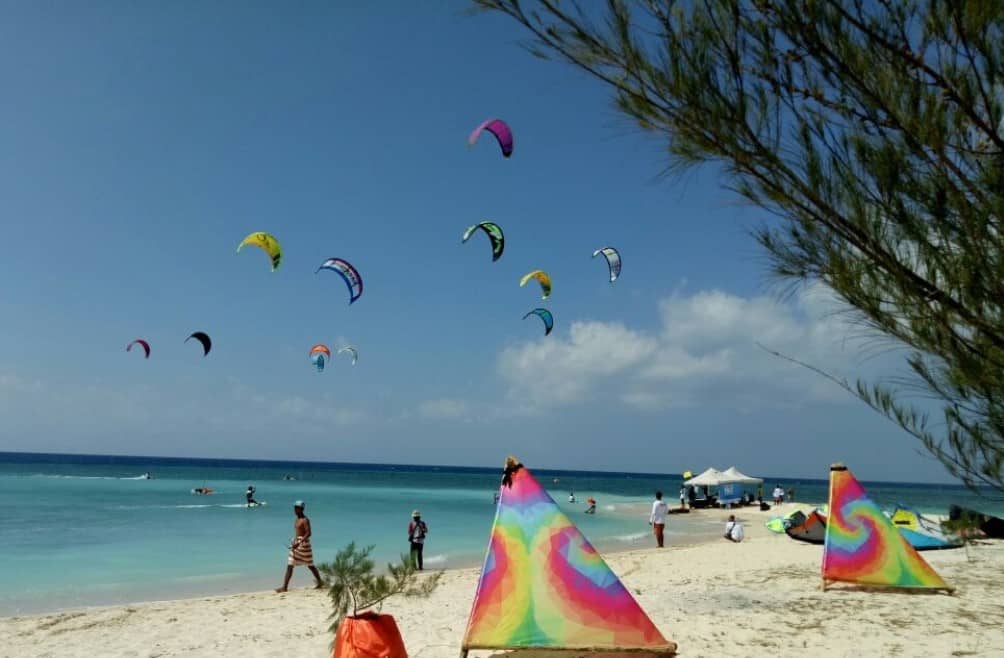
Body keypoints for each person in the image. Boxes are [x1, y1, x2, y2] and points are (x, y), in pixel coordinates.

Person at [276, 500, 323, 592]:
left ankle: (320, 582)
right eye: (294, 508)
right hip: (296, 543)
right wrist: (294, 542)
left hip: (303, 545)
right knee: (290, 565)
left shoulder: (305, 520)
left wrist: (299, 542)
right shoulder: (297, 519)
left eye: (296, 508)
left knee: (310, 565)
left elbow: (309, 533)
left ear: (301, 509)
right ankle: (284, 587)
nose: (294, 510)